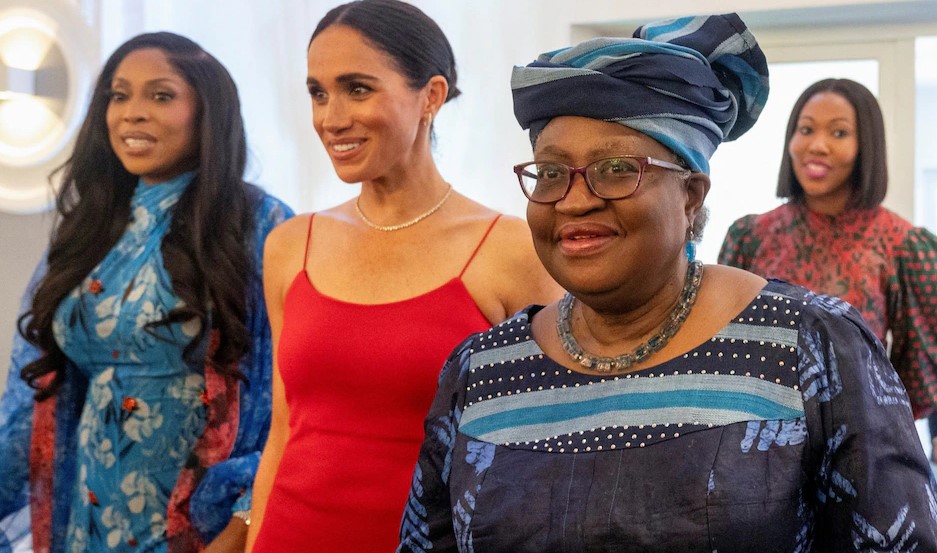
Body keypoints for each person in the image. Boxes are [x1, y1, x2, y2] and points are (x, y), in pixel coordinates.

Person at [397, 14, 937, 552]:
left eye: (615, 168)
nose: (576, 200)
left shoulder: (811, 347)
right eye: (552, 173)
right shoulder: (481, 370)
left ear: (691, 196)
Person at [245, 1, 561, 551]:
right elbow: (283, 433)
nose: (330, 117)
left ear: (431, 96)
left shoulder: (510, 250)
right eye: (317, 93)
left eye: (357, 89)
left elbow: (548, 452)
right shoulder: (290, 245)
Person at [0, 32, 293, 552]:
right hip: (84, 515)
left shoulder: (260, 227)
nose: (132, 113)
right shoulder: (90, 228)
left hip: (198, 526)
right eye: (119, 95)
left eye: (160, 95)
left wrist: (243, 523)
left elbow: (287, 399)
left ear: (208, 111)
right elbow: (29, 406)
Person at [718, 79, 937, 423]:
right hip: (755, 440)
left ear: (867, 145)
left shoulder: (902, 244)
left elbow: (915, 381)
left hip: (859, 441)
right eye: (806, 129)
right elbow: (723, 350)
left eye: (838, 133)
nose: (817, 145)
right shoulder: (749, 236)